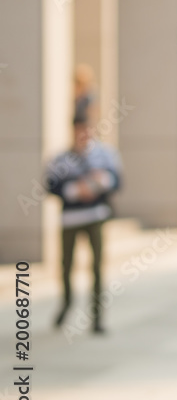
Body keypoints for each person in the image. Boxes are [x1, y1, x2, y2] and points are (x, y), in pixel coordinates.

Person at [46, 117, 123, 334]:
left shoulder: (105, 154)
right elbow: (51, 185)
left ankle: (97, 316)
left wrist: (100, 182)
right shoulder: (61, 158)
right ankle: (66, 303)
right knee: (66, 265)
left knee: (97, 266)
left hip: (95, 215)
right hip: (70, 219)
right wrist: (75, 190)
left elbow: (117, 180)